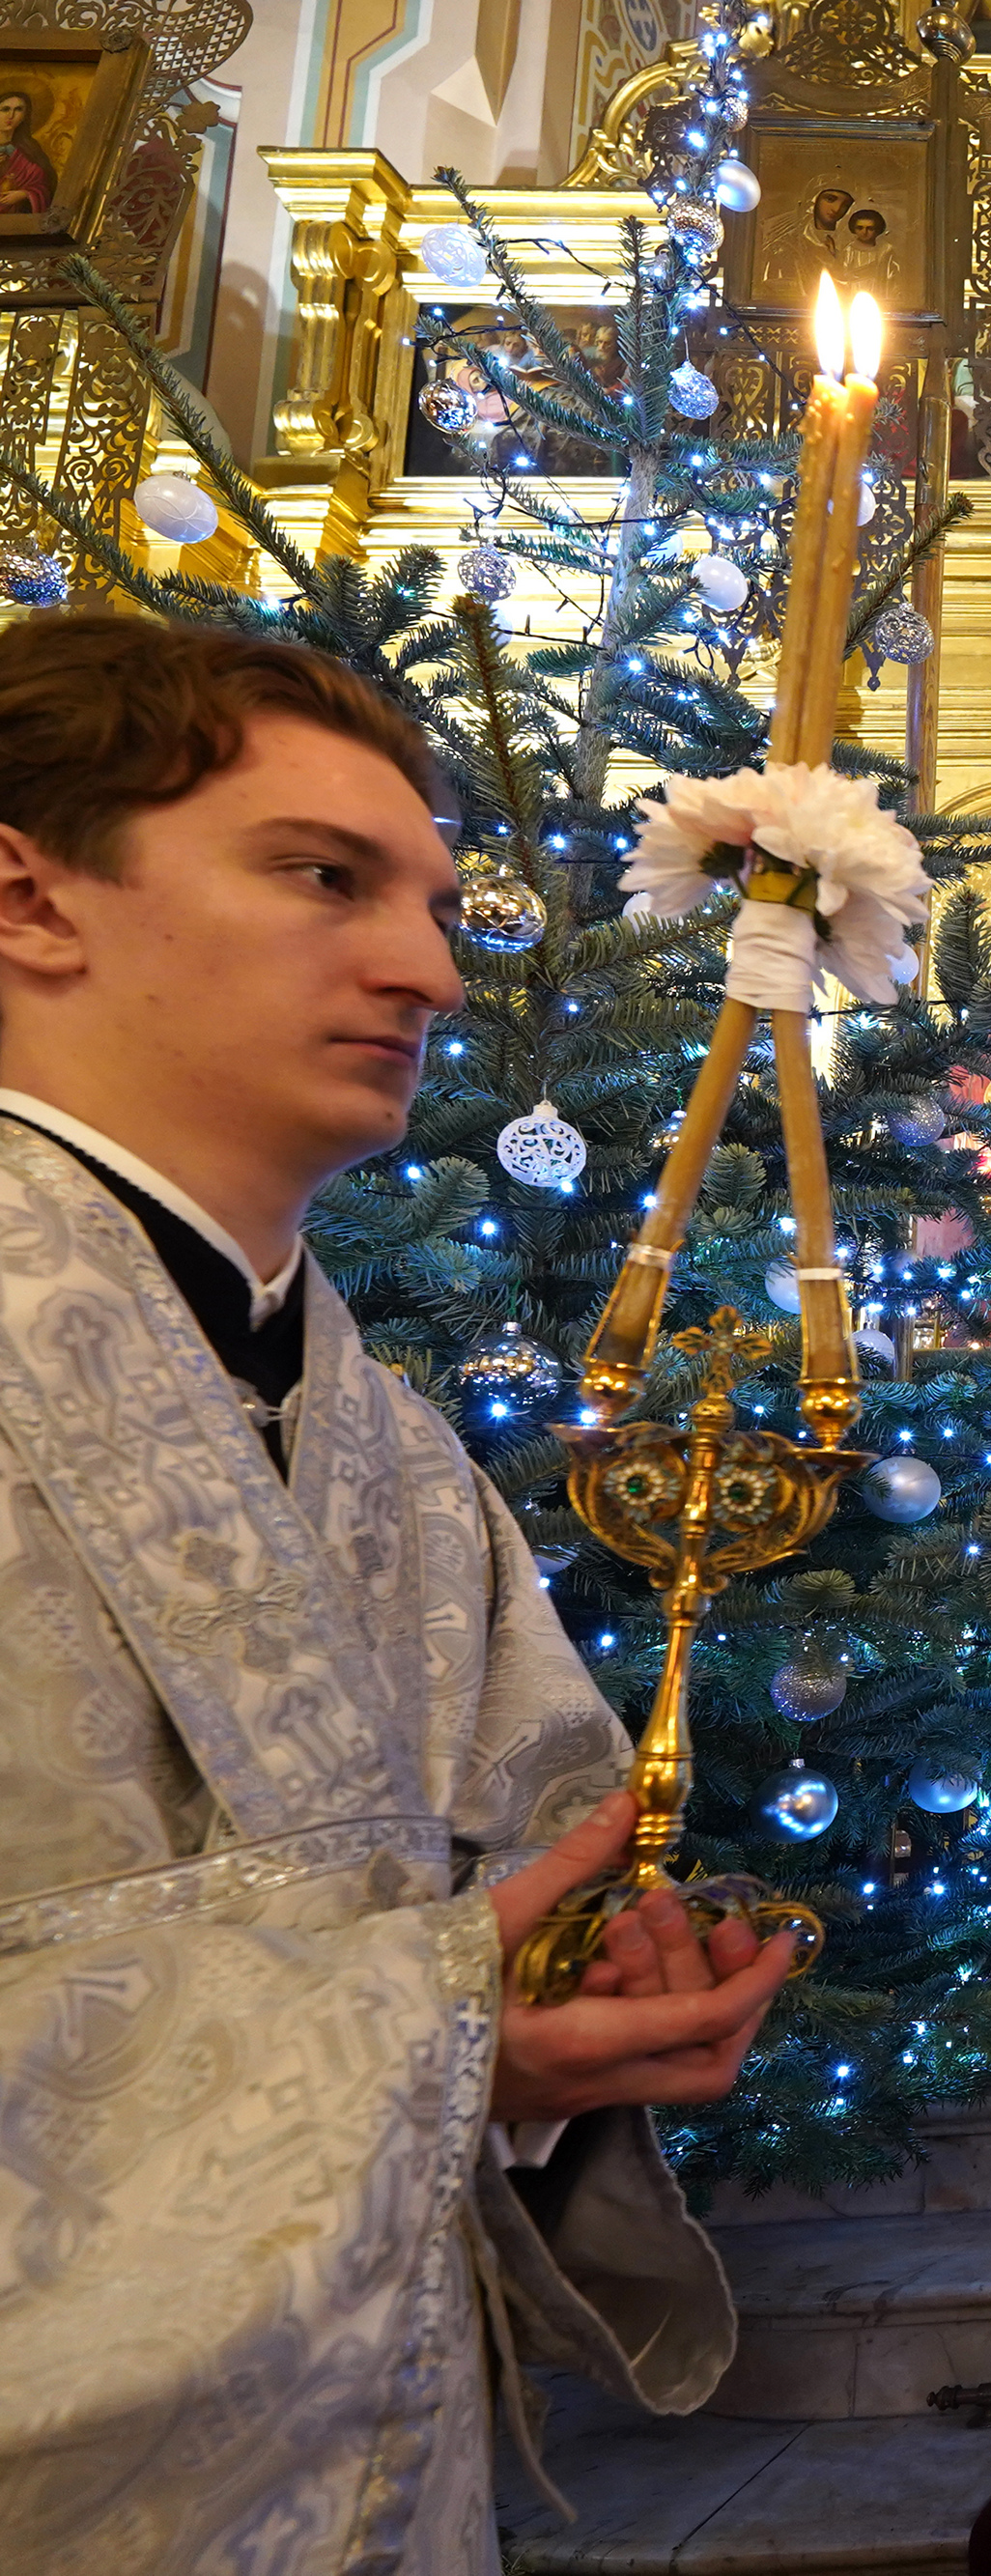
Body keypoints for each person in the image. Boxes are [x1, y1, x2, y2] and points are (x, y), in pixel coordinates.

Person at [0, 614, 792, 2567]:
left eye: (432, 900)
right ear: (28, 901)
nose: (431, 968)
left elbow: (502, 1924)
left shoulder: (391, 1444)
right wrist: (440, 2029)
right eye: (321, 876)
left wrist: (578, 2004)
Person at [0, 88, 57, 219]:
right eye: (5, 109)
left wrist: (24, 194)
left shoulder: (31, 150)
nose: (11, 115)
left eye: (18, 110)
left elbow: (47, 185)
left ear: (25, 115)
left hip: (18, 222)